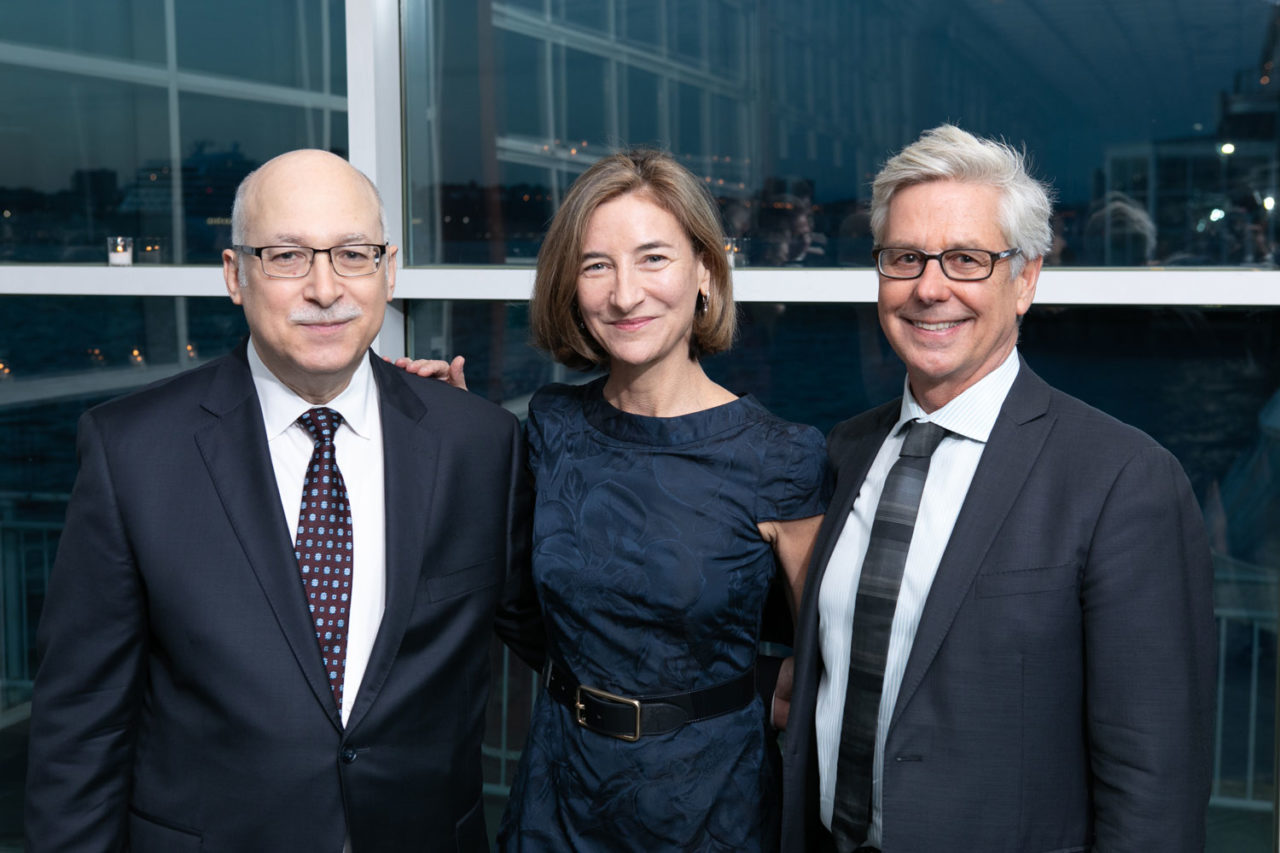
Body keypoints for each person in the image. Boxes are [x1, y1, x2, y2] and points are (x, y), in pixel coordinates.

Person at [24, 149, 542, 851]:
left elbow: (571, 637)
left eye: (353, 254)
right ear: (237, 275)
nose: (325, 288)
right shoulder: (132, 451)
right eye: (288, 256)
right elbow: (81, 726)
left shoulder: (478, 444)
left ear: (389, 271)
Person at [778, 125, 1216, 852]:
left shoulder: (1122, 481)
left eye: (966, 259)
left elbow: (1155, 783)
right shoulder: (848, 449)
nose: (929, 287)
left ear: (1026, 279)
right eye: (905, 257)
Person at [403, 148, 829, 851]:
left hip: (709, 810)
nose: (624, 294)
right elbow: (531, 613)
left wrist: (758, 678)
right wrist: (464, 443)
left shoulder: (779, 455)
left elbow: (827, 668)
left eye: (653, 258)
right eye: (597, 264)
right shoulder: (554, 423)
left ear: (704, 272)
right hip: (557, 800)